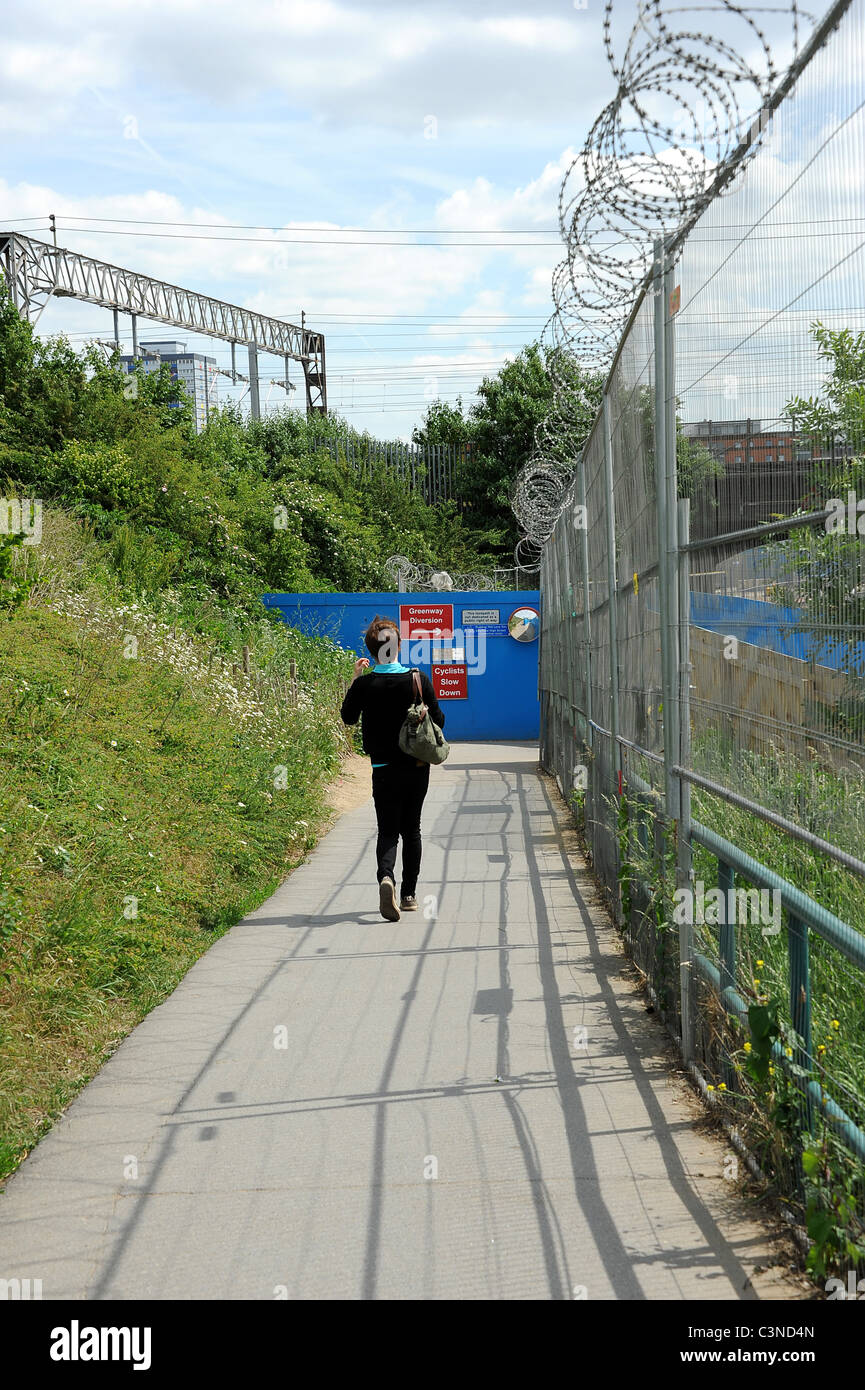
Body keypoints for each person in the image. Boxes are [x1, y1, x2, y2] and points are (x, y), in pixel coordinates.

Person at [340, 615, 445, 922]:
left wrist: (356, 677)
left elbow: (348, 717)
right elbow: (439, 721)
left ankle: (387, 877)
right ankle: (409, 895)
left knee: (387, 830)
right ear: (398, 646)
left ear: (372, 651)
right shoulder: (417, 680)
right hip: (415, 765)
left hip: (383, 767)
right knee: (412, 829)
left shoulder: (364, 684)